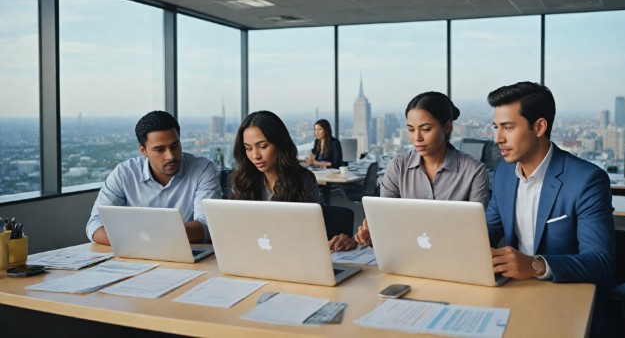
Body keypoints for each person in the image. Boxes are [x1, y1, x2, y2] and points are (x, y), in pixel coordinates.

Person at [485, 81, 615, 336]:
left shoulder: (586, 180)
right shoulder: (503, 172)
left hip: (565, 297)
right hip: (515, 293)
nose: (497, 138)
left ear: (539, 127)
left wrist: (535, 265)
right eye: (496, 127)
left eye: (508, 127)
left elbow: (601, 262)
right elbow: (489, 227)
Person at [355, 91, 490, 246]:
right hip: (405, 251)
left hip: (454, 254)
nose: (417, 138)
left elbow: (475, 232)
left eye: (425, 129)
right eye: (411, 130)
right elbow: (385, 219)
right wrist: (373, 229)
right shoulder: (398, 167)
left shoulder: (474, 171)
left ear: (446, 127)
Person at [86, 111, 221, 245]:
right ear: (143, 151)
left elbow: (208, 225)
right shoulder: (124, 173)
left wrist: (150, 236)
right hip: (136, 254)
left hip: (186, 255)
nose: (171, 156)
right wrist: (140, 242)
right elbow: (95, 224)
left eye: (175, 146)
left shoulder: (202, 169)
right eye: (159, 150)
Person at [231, 110, 356, 251]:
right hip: (251, 256)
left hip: (293, 258)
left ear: (279, 144)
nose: (255, 155)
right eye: (248, 148)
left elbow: (308, 236)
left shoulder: (302, 180)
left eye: (263, 146)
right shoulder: (243, 180)